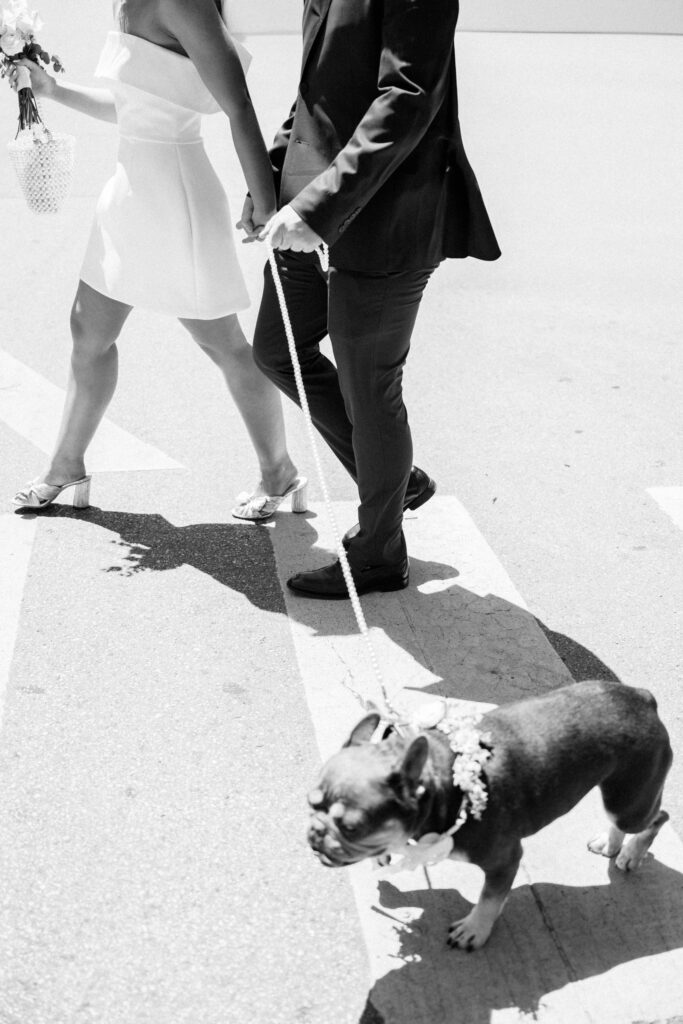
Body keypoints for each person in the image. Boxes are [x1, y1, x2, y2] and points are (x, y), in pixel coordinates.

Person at [239, 0, 500, 599]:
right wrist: (273, 182)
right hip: (308, 205)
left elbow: (408, 96)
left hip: (390, 216)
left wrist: (318, 206)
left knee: (370, 387)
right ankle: (394, 481)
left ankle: (379, 554)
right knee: (278, 351)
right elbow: (314, 98)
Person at [10, 0, 305, 520]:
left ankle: (280, 473)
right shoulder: (130, 2)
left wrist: (266, 203)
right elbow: (133, 106)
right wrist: (53, 90)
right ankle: (66, 466)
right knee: (88, 333)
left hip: (176, 197)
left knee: (225, 344)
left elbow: (238, 106)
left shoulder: (181, 2)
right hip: (127, 194)